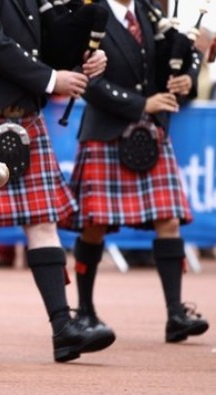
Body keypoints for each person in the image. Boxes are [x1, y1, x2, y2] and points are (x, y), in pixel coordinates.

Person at [0, 0, 115, 362]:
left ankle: (63, 329)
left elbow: (49, 41)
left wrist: (84, 58)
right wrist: (52, 79)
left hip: (24, 116)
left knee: (42, 220)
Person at [62, 0, 209, 343]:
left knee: (169, 219)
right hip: (107, 131)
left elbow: (174, 57)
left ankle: (175, 313)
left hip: (149, 131)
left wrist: (187, 77)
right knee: (95, 225)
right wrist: (142, 104)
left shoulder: (149, 12)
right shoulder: (90, 15)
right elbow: (90, 85)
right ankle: (84, 310)